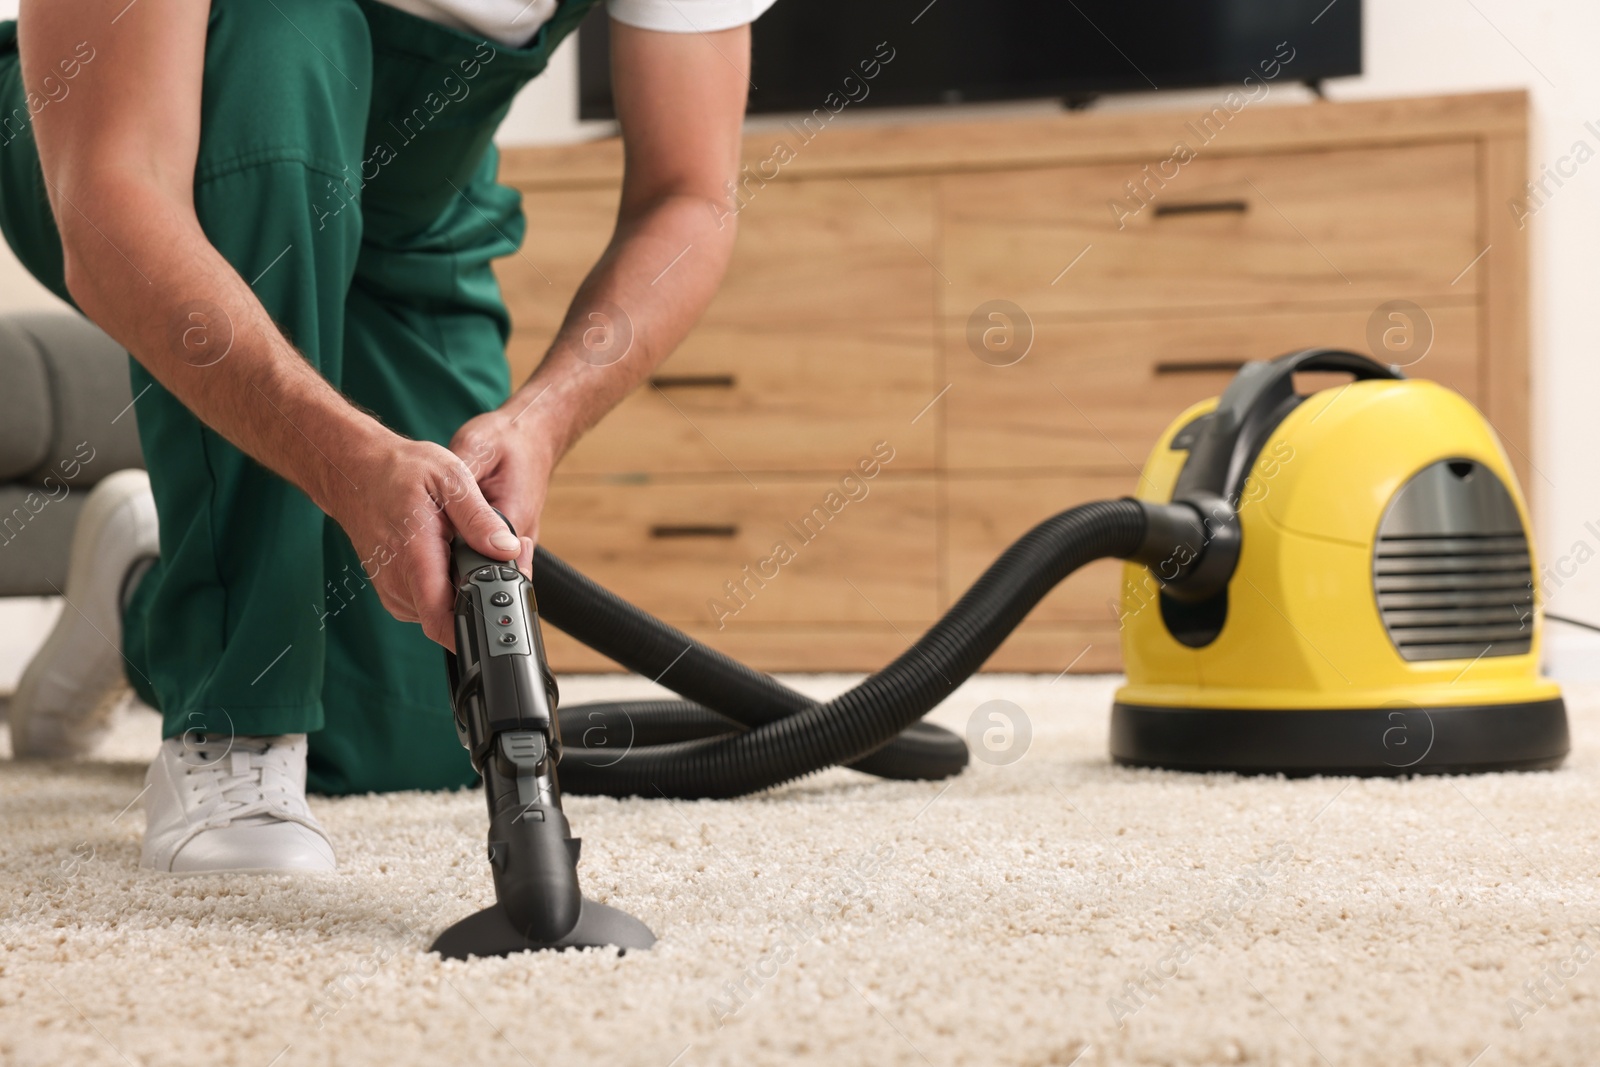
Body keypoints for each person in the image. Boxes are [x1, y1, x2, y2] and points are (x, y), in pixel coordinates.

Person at [0, 0, 772, 873]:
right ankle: (233, 729)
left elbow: (690, 193)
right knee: (291, 25)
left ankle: (141, 583)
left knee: (410, 729)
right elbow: (110, 191)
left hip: (411, 215)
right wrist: (348, 464)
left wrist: (542, 417)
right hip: (142, 135)